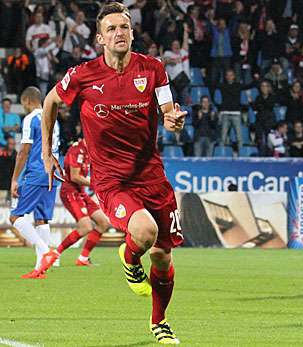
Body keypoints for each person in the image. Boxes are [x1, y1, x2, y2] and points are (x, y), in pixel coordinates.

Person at [40, 3, 186, 344]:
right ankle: (129, 255)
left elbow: (167, 111)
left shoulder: (153, 69)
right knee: (145, 231)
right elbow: (50, 102)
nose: (119, 33)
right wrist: (47, 153)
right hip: (112, 180)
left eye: (125, 27)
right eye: (112, 29)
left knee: (163, 256)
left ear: (133, 33)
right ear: (100, 38)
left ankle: (159, 322)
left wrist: (172, 121)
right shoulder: (83, 75)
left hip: (151, 175)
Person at [9, 86, 60, 279]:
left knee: (15, 217)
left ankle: (46, 251)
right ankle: (40, 269)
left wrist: (15, 179)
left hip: (37, 172)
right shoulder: (53, 118)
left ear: (27, 101)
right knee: (41, 219)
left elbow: (24, 151)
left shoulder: (31, 119)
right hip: (52, 174)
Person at [41, 139, 115, 267]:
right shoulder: (77, 150)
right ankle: (54, 255)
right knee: (85, 227)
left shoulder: (90, 151)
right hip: (70, 191)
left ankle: (83, 258)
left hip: (81, 192)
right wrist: (95, 184)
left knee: (103, 222)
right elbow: (75, 177)